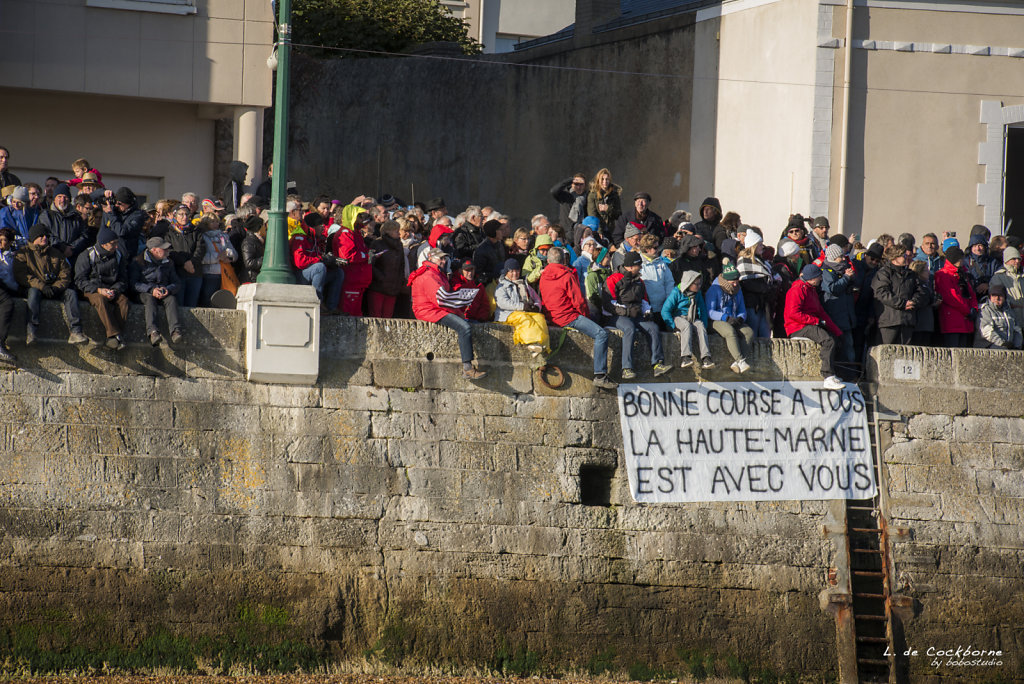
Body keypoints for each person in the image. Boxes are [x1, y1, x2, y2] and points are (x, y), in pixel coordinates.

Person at [538, 248, 616, 390]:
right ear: (564, 260)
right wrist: (586, 318)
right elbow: (579, 301)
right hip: (568, 317)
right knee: (602, 334)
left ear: (548, 261)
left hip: (552, 317)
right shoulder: (566, 275)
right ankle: (600, 375)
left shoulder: (543, 276)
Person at [409, 247, 486, 380]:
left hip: (434, 308)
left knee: (468, 324)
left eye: (445, 258)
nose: (443, 261)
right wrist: (461, 304)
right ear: (430, 257)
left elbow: (444, 299)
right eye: (440, 258)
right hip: (428, 311)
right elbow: (442, 299)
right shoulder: (429, 275)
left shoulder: (437, 273)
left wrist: (459, 312)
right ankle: (467, 368)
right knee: (464, 328)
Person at [14, 224, 88, 346]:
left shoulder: (56, 253)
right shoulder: (23, 253)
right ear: (34, 238)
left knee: (70, 293)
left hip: (54, 288)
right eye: (41, 236)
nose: (45, 238)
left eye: (46, 236)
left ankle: (76, 331)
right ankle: (32, 331)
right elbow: (22, 276)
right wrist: (42, 286)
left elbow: (65, 274)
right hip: (34, 288)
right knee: (33, 292)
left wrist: (55, 287)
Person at [604, 251, 671, 380]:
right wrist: (627, 312)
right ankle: (627, 368)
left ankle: (657, 363)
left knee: (653, 328)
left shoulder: (640, 281)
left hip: (635, 314)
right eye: (638, 265)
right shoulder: (613, 279)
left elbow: (644, 300)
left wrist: (647, 311)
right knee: (629, 328)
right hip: (615, 316)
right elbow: (609, 304)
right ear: (629, 266)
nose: (640, 267)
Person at [784, 264, 845, 390]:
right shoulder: (797, 289)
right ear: (812, 278)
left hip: (808, 324)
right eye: (819, 276)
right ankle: (827, 376)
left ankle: (833, 374)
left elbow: (821, 312)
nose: (821, 278)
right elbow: (793, 313)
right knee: (828, 340)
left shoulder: (811, 289)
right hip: (797, 327)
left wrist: (837, 331)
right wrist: (816, 321)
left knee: (835, 339)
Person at [75, 227, 130, 350]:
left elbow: (123, 279)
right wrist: (99, 290)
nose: (116, 246)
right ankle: (114, 335)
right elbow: (80, 280)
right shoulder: (87, 255)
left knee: (123, 301)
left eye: (117, 243)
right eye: (113, 243)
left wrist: (114, 290)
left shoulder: (118, 255)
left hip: (111, 288)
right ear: (103, 244)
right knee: (100, 300)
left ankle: (115, 337)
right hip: (92, 289)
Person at [290, 201, 343, 312]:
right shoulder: (300, 237)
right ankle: (317, 302)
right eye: (320, 226)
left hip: (310, 273)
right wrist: (321, 259)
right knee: (319, 267)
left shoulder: (316, 239)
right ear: (313, 227)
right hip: (299, 275)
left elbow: (318, 257)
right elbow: (300, 262)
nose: (323, 228)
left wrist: (331, 261)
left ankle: (331, 306)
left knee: (338, 272)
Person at [130, 236, 184, 346]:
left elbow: (177, 282)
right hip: (145, 292)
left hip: (163, 291)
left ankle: (175, 331)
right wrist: (151, 290)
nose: (167, 251)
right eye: (164, 249)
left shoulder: (168, 262)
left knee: (171, 299)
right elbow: (133, 283)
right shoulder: (138, 262)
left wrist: (167, 289)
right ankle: (153, 332)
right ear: (154, 250)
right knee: (150, 299)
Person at [706, 261, 754, 374]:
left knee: (748, 332)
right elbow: (710, 311)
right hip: (716, 320)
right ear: (726, 280)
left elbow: (742, 308)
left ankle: (736, 363)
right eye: (733, 282)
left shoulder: (738, 290)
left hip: (733, 319)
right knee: (730, 332)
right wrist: (725, 317)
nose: (736, 284)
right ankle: (740, 360)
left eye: (737, 281)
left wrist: (741, 318)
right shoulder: (714, 289)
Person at [871, 243, 924, 346]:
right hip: (889, 321)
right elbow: (882, 293)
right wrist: (902, 304)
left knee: (905, 354)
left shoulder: (911, 274)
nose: (907, 257)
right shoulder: (883, 273)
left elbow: (920, 291)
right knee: (887, 352)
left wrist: (914, 302)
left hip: (908, 320)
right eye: (904, 255)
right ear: (895, 257)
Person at [494, 258, 548, 356]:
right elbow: (502, 303)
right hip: (507, 313)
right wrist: (522, 306)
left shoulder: (524, 284)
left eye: (517, 271)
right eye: (511, 271)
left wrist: (536, 307)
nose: (515, 273)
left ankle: (542, 345)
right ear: (506, 272)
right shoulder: (502, 286)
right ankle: (531, 343)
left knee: (540, 318)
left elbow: (536, 298)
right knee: (524, 319)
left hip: (524, 310)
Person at [661, 270, 712, 369]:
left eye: (699, 283)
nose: (698, 286)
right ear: (688, 283)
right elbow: (665, 311)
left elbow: (702, 311)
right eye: (696, 284)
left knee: (700, 325)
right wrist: (672, 326)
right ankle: (685, 357)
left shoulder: (697, 294)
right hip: (678, 317)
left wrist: (704, 326)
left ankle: (706, 358)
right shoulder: (676, 292)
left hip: (692, 317)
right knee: (686, 326)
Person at [819, 244, 859, 363]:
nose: (843, 259)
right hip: (834, 316)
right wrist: (846, 277)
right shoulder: (826, 271)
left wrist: (850, 279)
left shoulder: (844, 268)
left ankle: (850, 375)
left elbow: (855, 283)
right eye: (840, 256)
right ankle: (838, 373)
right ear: (833, 257)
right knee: (837, 348)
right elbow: (832, 288)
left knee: (849, 348)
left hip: (846, 316)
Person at [330, 205, 373, 316]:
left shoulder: (355, 233)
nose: (361, 219)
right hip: (351, 279)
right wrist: (366, 255)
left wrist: (369, 254)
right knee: (349, 314)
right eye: (359, 216)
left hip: (358, 280)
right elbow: (348, 255)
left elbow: (360, 252)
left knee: (356, 314)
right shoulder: (345, 233)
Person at [935, 245, 978, 348]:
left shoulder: (963, 273)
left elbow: (971, 294)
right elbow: (951, 297)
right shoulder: (943, 274)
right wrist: (968, 311)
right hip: (953, 320)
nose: (963, 261)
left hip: (965, 320)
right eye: (960, 258)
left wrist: (974, 308)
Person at [736, 230, 775, 338]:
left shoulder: (763, 262)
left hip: (764, 304)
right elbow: (745, 282)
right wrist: (764, 288)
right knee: (753, 334)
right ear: (753, 246)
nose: (763, 247)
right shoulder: (743, 261)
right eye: (760, 245)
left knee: (765, 335)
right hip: (752, 304)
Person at [39, 183, 89, 265]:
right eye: (59, 197)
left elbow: (83, 235)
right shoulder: (46, 215)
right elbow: (46, 234)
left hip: (73, 258)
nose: (62, 200)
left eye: (65, 197)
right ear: (54, 199)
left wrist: (72, 248)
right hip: (52, 258)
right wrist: (62, 247)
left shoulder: (76, 216)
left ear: (69, 199)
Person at [366, 219, 408, 318]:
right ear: (388, 231)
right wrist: (381, 277)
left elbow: (401, 264)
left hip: (393, 287)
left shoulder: (399, 245)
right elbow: (370, 263)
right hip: (378, 287)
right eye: (395, 230)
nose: (398, 233)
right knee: (376, 317)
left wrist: (399, 280)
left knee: (388, 318)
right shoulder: (377, 243)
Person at [197, 215, 238, 306]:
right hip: (210, 274)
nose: (216, 224)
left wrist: (229, 256)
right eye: (212, 221)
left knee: (225, 301)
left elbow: (235, 254)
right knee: (208, 300)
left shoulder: (224, 236)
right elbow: (200, 258)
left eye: (217, 221)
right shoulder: (202, 237)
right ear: (206, 223)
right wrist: (218, 256)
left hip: (225, 272)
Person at [637, 233, 674, 327]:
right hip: (647, 308)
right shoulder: (639, 263)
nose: (658, 250)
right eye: (655, 248)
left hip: (662, 307)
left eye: (658, 247)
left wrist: (668, 301)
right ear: (647, 249)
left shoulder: (661, 263)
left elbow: (669, 282)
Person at [101, 187, 147, 258]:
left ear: (128, 204)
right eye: (115, 202)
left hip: (126, 255)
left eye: (119, 203)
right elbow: (92, 197)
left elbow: (122, 231)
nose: (116, 205)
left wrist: (111, 214)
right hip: (109, 251)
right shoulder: (116, 211)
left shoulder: (137, 215)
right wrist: (103, 192)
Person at [974, 284, 1022, 349]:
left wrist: (1017, 346)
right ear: (990, 297)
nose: (997, 298)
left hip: (1007, 345)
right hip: (987, 346)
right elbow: (986, 331)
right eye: (994, 295)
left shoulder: (1009, 311)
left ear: (1005, 297)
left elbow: (1017, 330)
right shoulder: (985, 310)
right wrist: (1002, 343)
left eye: (1000, 296)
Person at [989, 246, 1024, 328]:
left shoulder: (1021, 277)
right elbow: (996, 300)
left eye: (1019, 259)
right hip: (1009, 319)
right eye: (1014, 259)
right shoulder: (998, 277)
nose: (1017, 261)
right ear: (1007, 260)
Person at [909, 260, 941, 346]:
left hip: (927, 323)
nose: (928, 273)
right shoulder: (916, 284)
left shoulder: (927, 284)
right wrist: (932, 301)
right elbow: (921, 299)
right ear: (919, 272)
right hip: (919, 323)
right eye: (926, 270)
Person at [586, 168, 621, 244]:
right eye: (602, 179)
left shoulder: (614, 194)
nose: (605, 182)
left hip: (611, 230)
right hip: (597, 230)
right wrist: (599, 231)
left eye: (607, 179)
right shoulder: (592, 195)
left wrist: (608, 209)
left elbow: (618, 214)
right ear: (598, 180)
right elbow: (592, 215)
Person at [472, 220, 506, 285]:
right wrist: (494, 276)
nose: (503, 232)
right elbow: (479, 273)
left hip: (501, 281)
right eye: (500, 230)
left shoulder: (500, 245)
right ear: (493, 231)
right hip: (488, 285)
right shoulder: (482, 250)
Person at [238, 215, 265, 283]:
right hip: (251, 279)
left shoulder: (260, 241)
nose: (266, 228)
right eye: (264, 225)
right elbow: (249, 263)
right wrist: (266, 259)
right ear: (258, 228)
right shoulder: (248, 242)